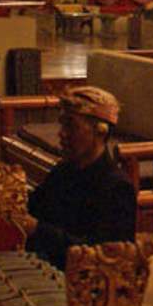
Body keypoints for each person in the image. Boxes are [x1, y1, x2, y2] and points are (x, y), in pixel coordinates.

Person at [24, 86, 138, 269]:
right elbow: (35, 206)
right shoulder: (63, 170)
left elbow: (105, 254)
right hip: (47, 268)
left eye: (71, 126)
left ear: (100, 132)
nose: (62, 133)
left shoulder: (117, 186)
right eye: (62, 124)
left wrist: (37, 230)